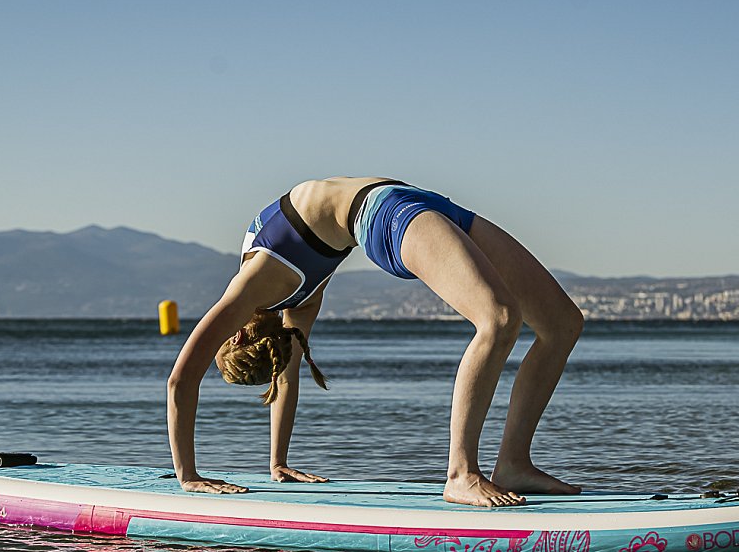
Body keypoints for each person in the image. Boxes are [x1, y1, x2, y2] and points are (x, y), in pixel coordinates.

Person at [166, 177, 584, 507]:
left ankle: (512, 463)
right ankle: (461, 473)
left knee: (563, 324)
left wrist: (278, 464)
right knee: (498, 319)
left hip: (415, 202)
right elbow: (182, 380)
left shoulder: (286, 297)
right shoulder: (260, 288)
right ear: (236, 335)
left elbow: (283, 380)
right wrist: (188, 477)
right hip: (385, 213)